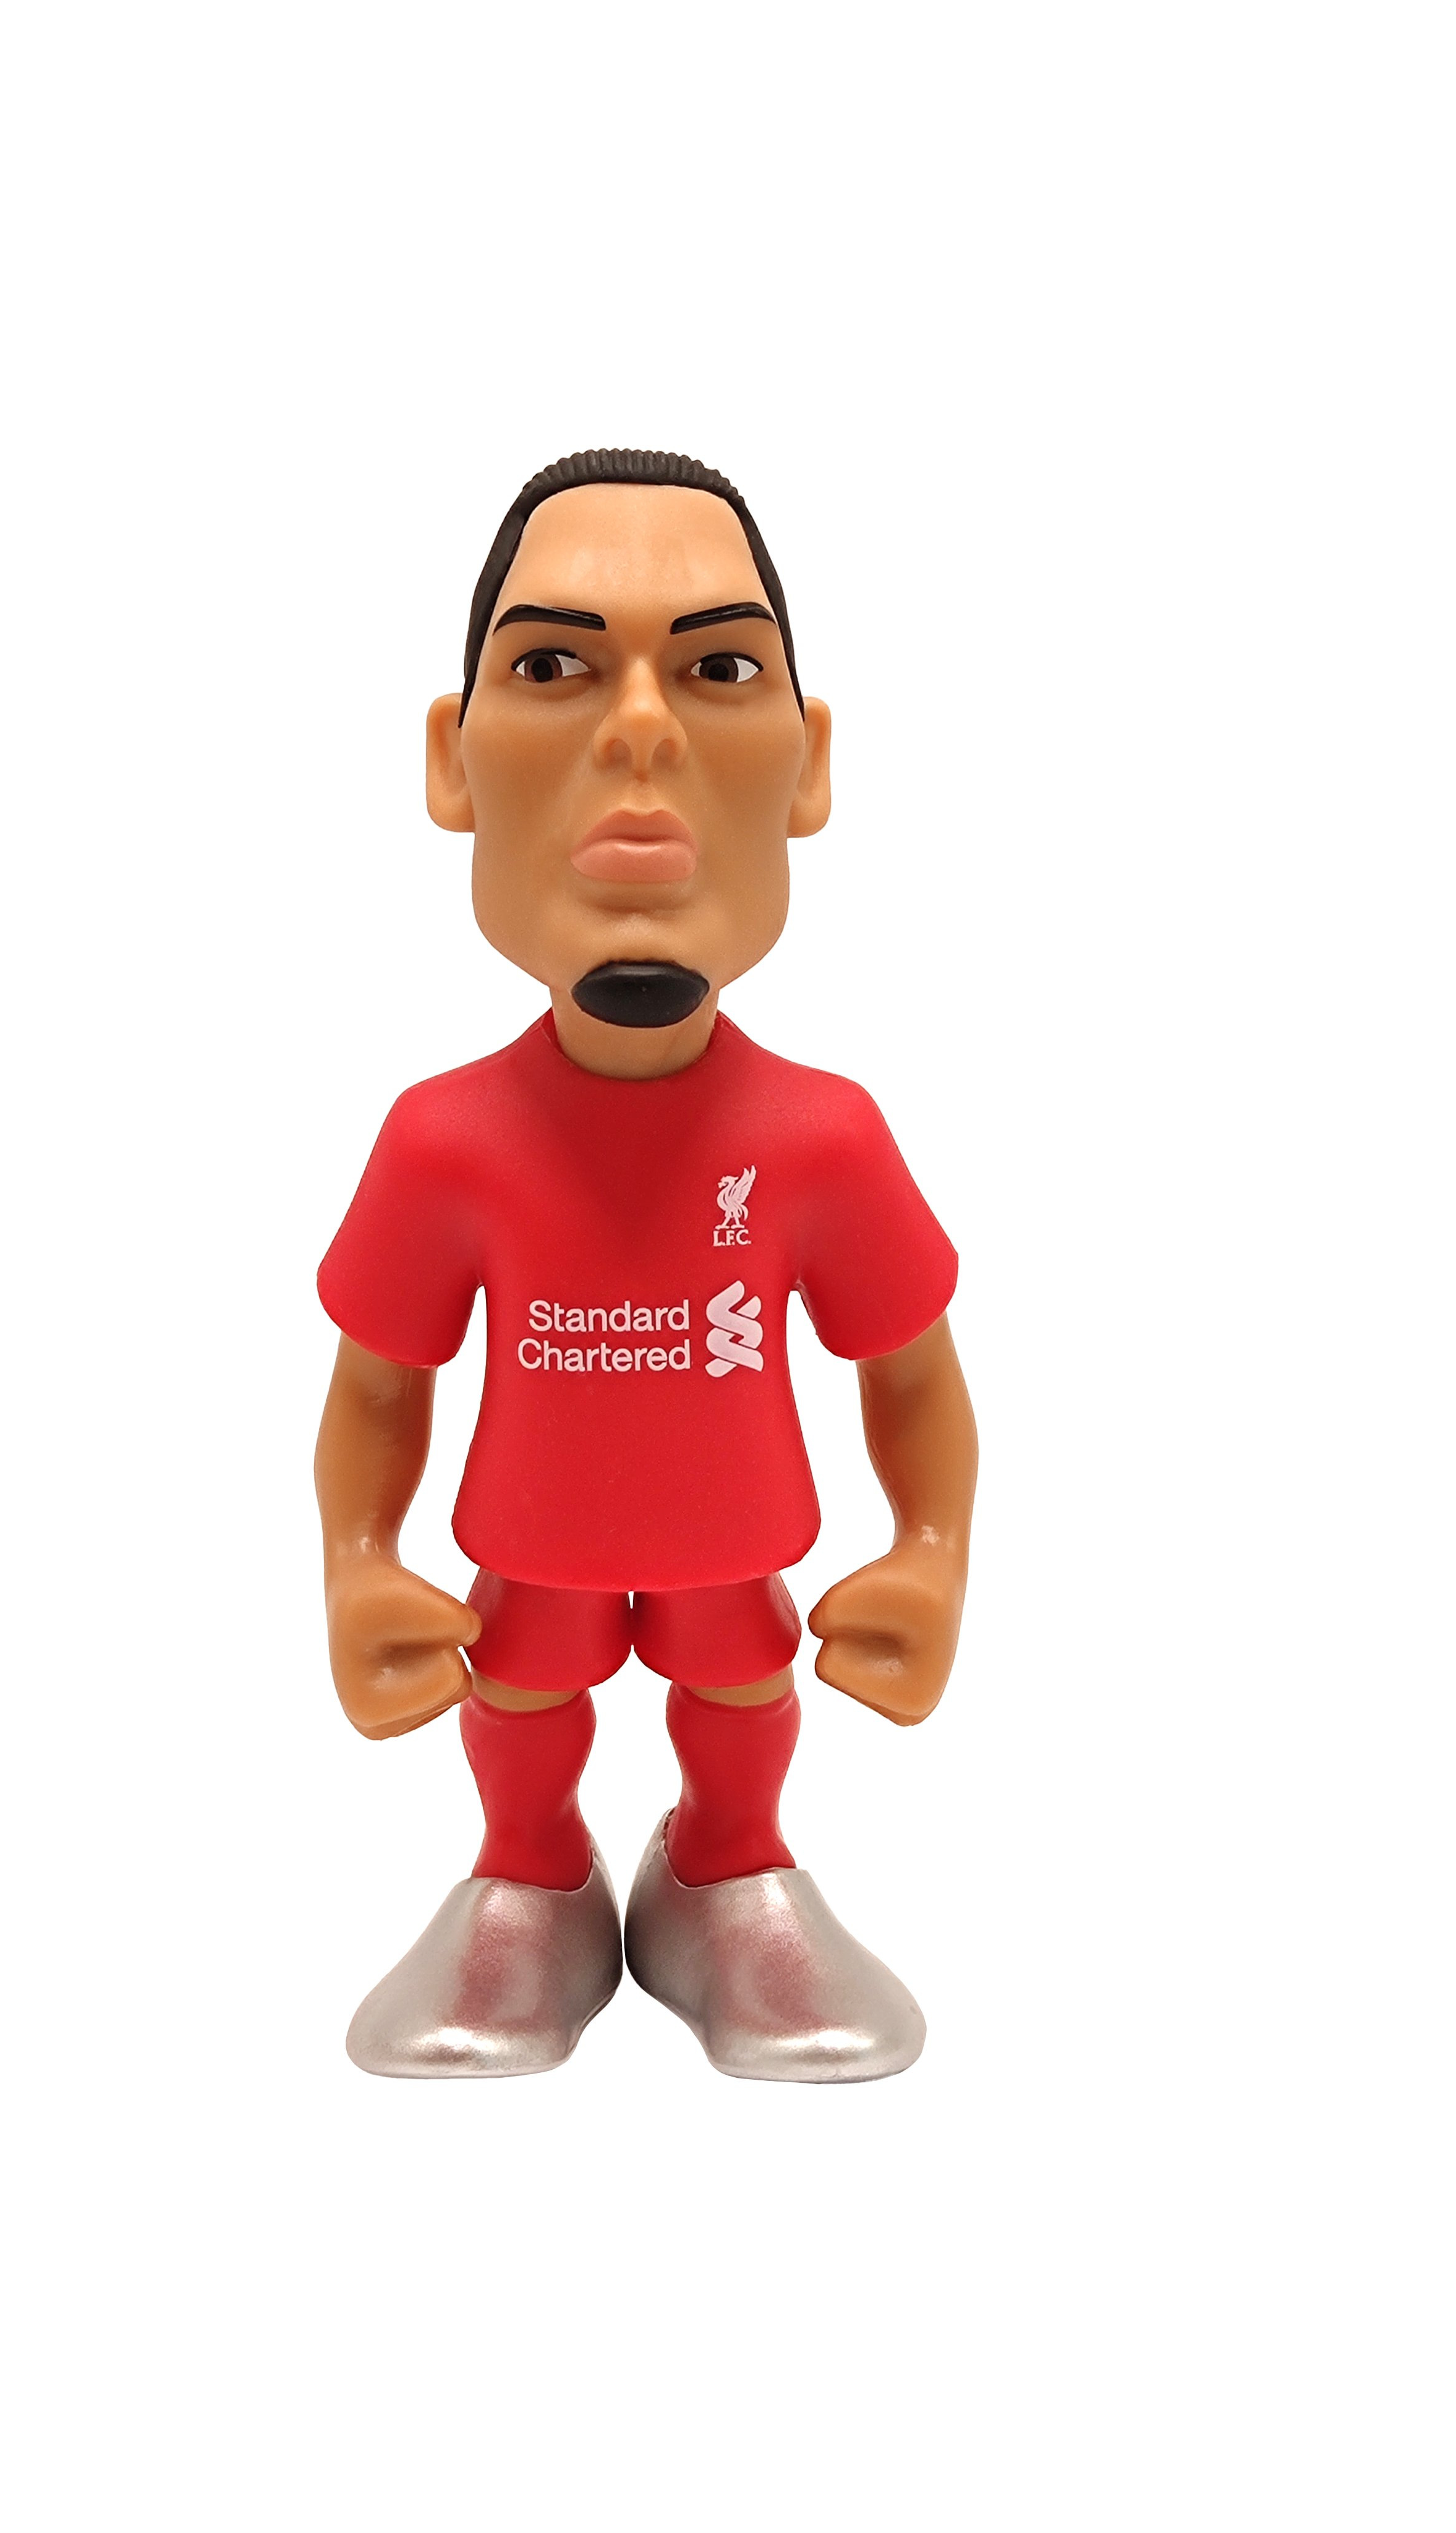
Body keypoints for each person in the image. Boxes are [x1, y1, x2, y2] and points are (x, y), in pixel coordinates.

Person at [314, 449, 978, 2082]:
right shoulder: (444, 1143)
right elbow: (378, 1385)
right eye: (551, 666)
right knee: (522, 1691)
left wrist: (933, 1551)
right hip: (529, 1546)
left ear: (809, 761)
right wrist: (356, 1558)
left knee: (741, 1685)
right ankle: (532, 1880)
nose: (637, 731)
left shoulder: (823, 1140)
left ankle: (726, 1869)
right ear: (453, 758)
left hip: (727, 1540)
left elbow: (910, 1371)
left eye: (719, 669)